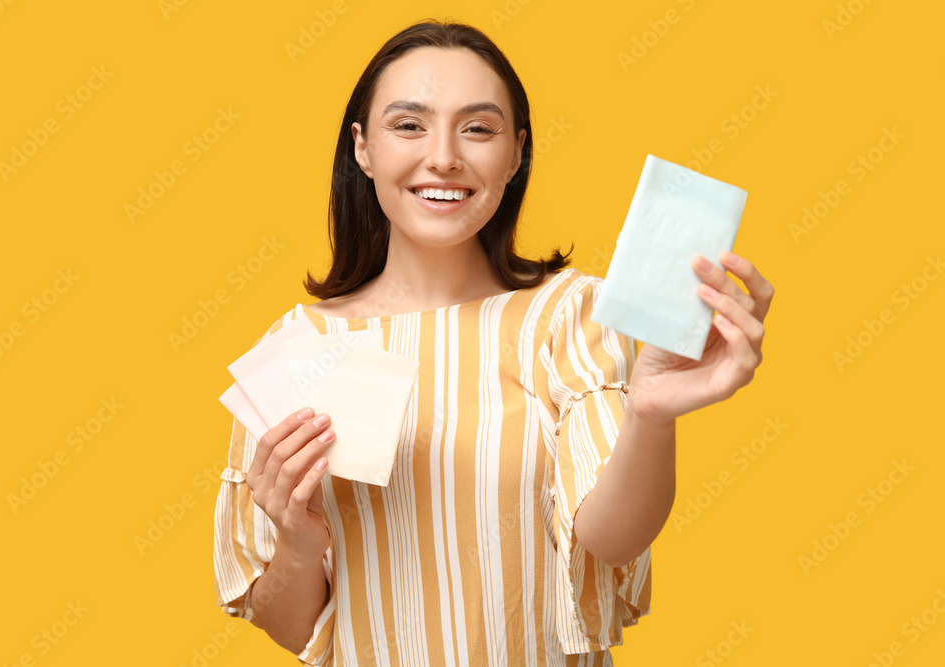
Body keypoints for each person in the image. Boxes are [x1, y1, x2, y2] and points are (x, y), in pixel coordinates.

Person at [212, 19, 773, 666]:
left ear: (515, 153)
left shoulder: (567, 314)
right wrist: (298, 541)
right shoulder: (297, 347)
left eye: (477, 128)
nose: (444, 156)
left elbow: (609, 539)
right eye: (408, 125)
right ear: (363, 148)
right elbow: (288, 627)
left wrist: (649, 414)